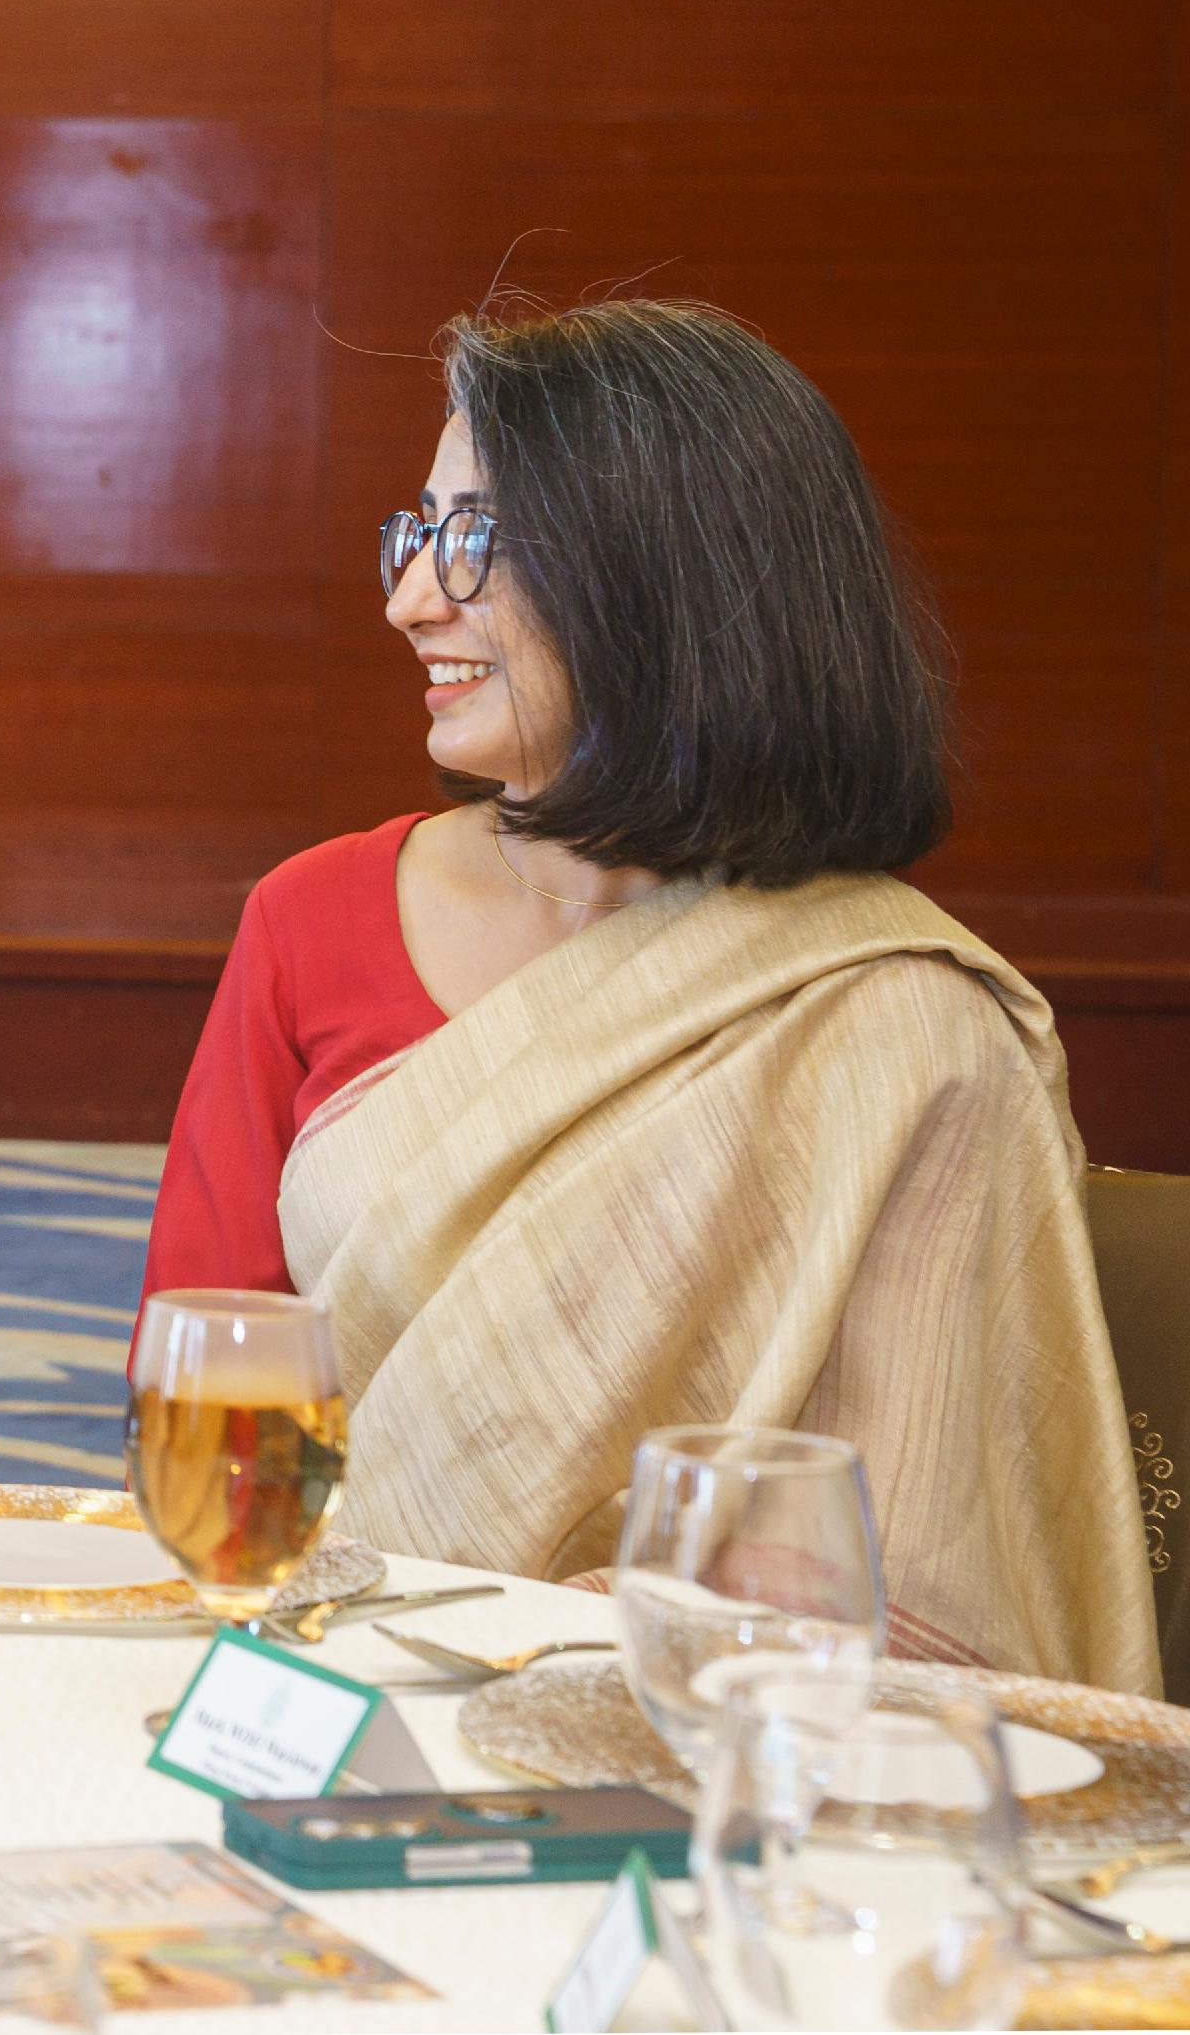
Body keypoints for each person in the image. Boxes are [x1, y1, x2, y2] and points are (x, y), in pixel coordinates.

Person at [143, 300, 1153, 1691]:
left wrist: (636, 1633)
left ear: (667, 575)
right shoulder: (312, 915)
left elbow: (938, 1569)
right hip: (315, 1681)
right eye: (414, 534)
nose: (410, 598)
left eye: (477, 542)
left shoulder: (902, 1030)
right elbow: (199, 1395)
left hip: (705, 1740)